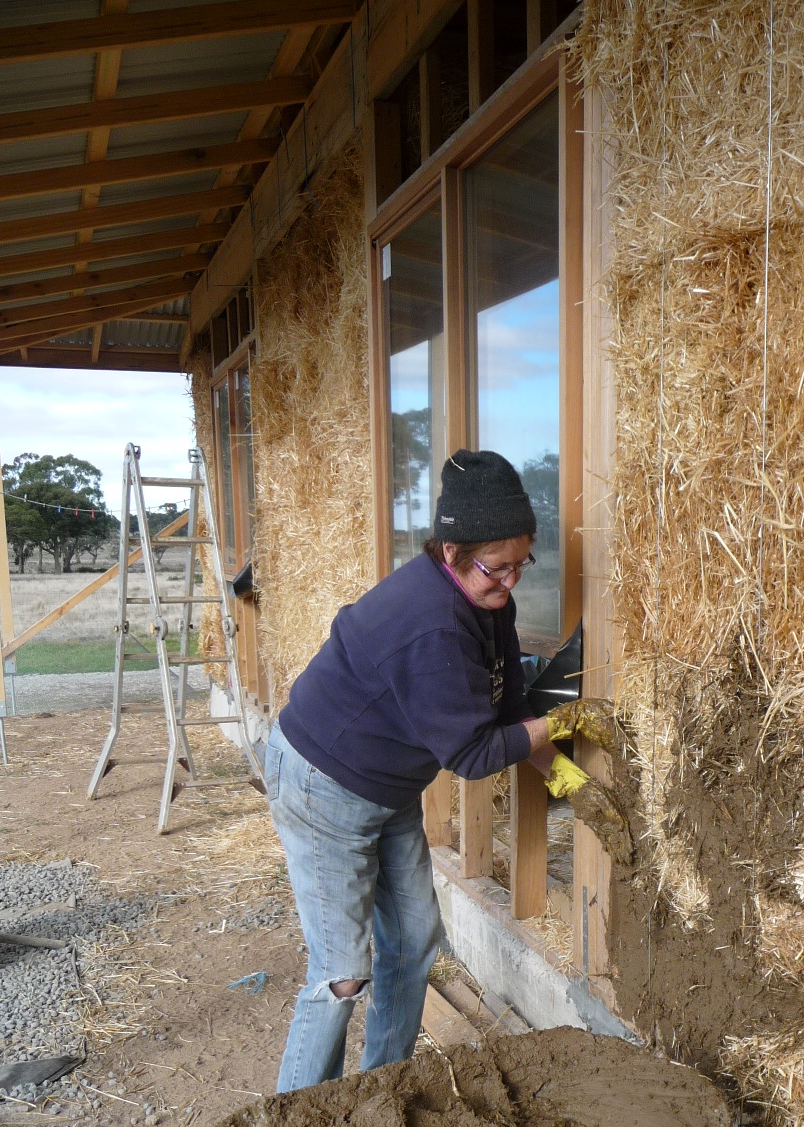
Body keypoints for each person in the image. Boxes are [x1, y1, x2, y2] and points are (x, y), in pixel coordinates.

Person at [264, 449, 627, 1093]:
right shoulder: (430, 624)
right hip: (325, 784)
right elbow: (473, 755)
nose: (511, 581)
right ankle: (295, 1120)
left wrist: (573, 786)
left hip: (387, 784)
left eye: (522, 564)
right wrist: (572, 720)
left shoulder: (490, 604)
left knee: (412, 941)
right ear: (451, 551)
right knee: (343, 972)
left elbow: (511, 714)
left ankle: (381, 1090)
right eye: (497, 568)